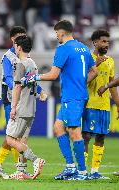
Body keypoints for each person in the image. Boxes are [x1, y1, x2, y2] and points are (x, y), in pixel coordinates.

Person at [22, 20, 98, 180]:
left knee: (74, 131)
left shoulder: (63, 49)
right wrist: (81, 83)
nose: (56, 36)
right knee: (58, 127)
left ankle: (82, 172)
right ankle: (70, 167)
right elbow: (94, 71)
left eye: (56, 33)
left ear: (62, 33)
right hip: (77, 95)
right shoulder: (84, 48)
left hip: (72, 97)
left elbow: (53, 75)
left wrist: (33, 77)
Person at [5, 35, 46, 180]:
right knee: (21, 141)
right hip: (31, 107)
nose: (15, 49)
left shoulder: (19, 63)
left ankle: (36, 160)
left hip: (22, 107)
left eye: (15, 46)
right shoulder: (32, 63)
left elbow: (17, 86)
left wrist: (13, 107)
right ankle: (21, 171)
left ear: (19, 47)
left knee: (10, 139)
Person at [0, 26, 27, 180]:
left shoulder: (24, 56)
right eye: (19, 37)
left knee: (16, 134)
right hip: (9, 97)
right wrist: (18, 87)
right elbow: (8, 78)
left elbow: (30, 76)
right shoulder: (8, 57)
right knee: (14, 134)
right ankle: (11, 168)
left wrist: (39, 90)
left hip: (20, 98)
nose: (21, 40)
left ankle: (2, 166)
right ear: (12, 39)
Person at [82, 29, 119, 180]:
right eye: (103, 41)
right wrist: (95, 65)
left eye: (108, 42)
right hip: (89, 103)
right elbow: (81, 82)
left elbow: (113, 85)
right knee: (86, 136)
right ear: (95, 42)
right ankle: (82, 171)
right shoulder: (87, 58)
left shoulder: (110, 61)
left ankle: (95, 171)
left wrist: (117, 104)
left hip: (104, 106)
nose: (106, 44)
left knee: (101, 137)